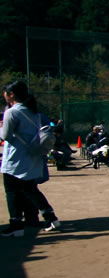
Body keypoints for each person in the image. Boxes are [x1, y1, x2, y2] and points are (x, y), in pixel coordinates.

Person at [1, 80, 61, 236]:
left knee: (12, 192)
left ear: (11, 94)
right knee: (30, 189)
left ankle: (16, 225)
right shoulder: (32, 111)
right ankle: (50, 217)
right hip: (32, 155)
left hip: (15, 158)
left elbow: (5, 135)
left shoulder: (12, 112)